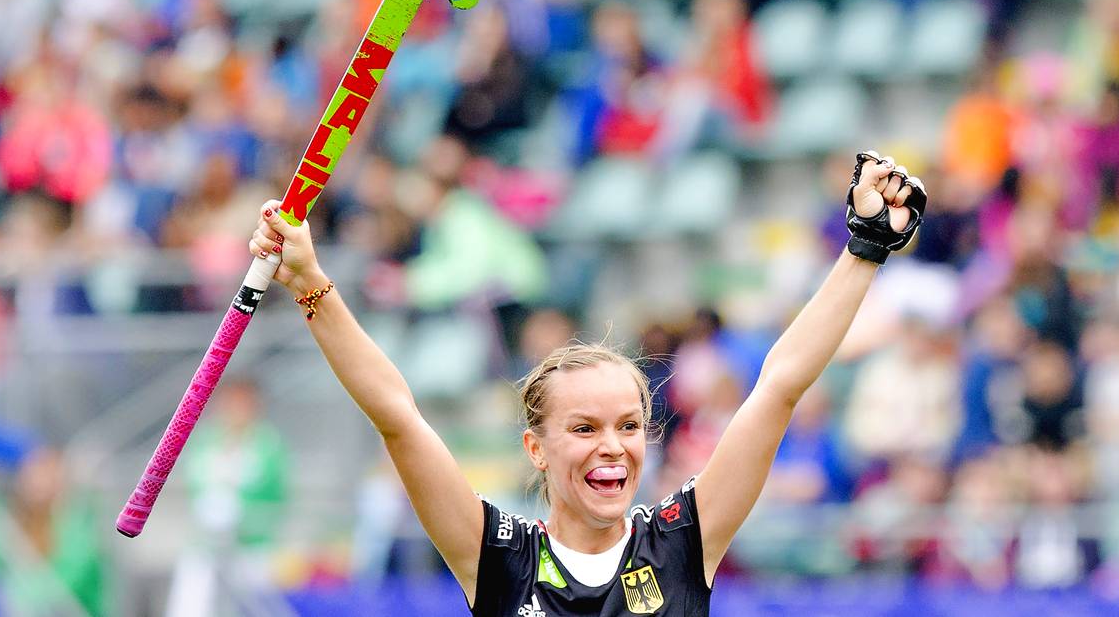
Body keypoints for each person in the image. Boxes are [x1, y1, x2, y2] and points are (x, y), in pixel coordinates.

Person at [246, 150, 926, 615]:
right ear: (535, 447)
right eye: (584, 428)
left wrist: (865, 249)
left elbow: (777, 388)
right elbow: (398, 415)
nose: (613, 446)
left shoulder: (682, 541)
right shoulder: (498, 556)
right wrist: (311, 284)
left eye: (628, 426)